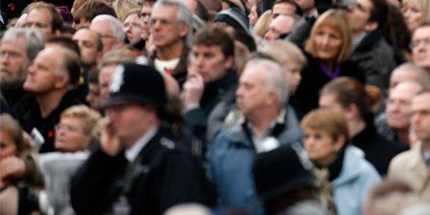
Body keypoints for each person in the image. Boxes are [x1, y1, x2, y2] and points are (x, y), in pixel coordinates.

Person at [69, 63, 214, 213]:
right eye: (110, 109)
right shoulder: (116, 153)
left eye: (121, 108)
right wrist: (102, 155)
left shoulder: (174, 160)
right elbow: (80, 203)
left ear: (150, 110)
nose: (112, 116)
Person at [207, 58, 302, 215]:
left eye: (248, 87)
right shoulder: (224, 141)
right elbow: (210, 194)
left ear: (270, 97)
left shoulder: (301, 142)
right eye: (240, 85)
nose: (238, 92)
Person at [300, 108, 380, 215]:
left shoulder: (363, 174)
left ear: (338, 142)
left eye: (318, 137)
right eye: (306, 137)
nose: (310, 143)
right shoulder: (299, 172)